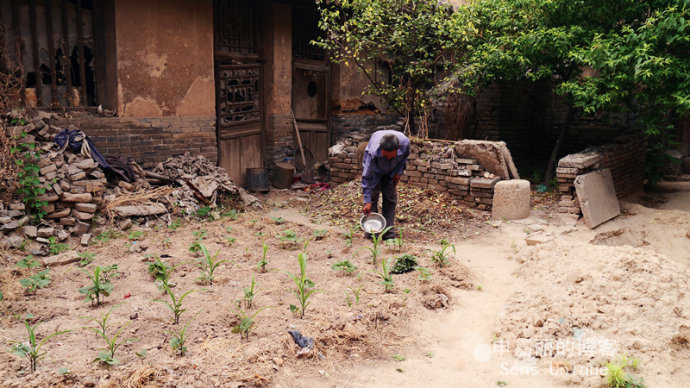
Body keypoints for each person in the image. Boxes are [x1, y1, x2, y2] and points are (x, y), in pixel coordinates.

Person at [361, 130, 410, 240]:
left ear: (397, 150)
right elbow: (367, 177)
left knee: (390, 199)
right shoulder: (373, 153)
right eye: (385, 155)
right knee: (372, 200)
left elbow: (405, 157)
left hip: (391, 171)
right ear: (381, 149)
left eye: (390, 156)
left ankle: (388, 235)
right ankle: (371, 234)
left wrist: (398, 172)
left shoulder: (404, 143)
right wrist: (367, 200)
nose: (387, 157)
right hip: (375, 172)